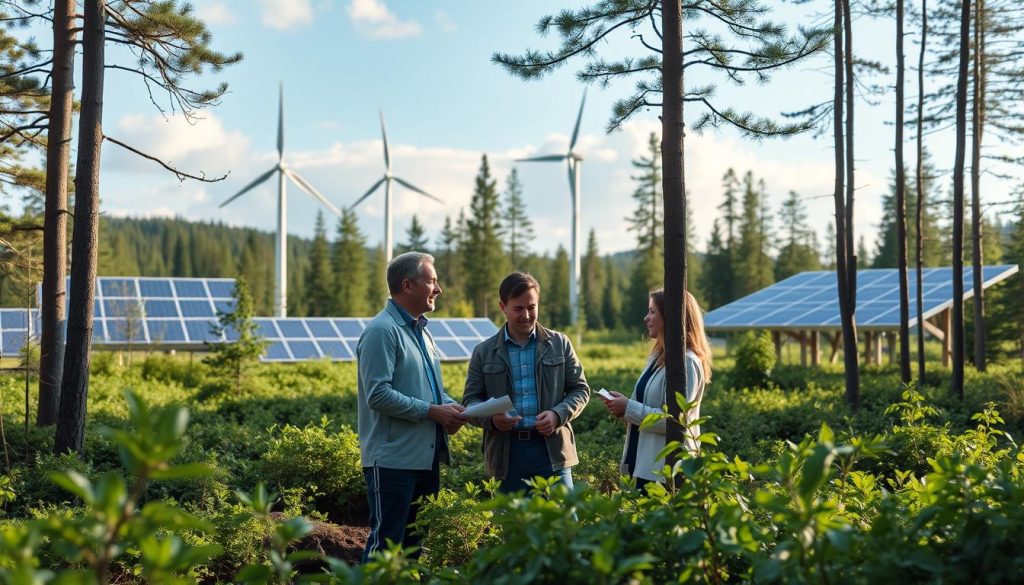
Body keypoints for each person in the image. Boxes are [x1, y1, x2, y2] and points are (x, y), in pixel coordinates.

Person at [356, 251, 467, 562]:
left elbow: (431, 391)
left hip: (424, 457)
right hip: (393, 461)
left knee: (414, 548)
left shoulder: (423, 332)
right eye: (431, 281)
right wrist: (433, 412)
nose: (438, 288)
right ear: (407, 285)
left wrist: (453, 409)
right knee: (386, 548)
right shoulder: (382, 331)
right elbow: (377, 394)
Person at [463, 272, 591, 494]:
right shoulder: (483, 352)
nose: (526, 315)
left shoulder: (560, 343)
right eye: (518, 308)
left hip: (553, 451)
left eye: (531, 307)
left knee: (563, 524)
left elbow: (580, 390)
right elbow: (470, 402)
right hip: (506, 454)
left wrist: (557, 414)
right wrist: (492, 419)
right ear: (502, 306)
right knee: (512, 525)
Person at [599, 289, 712, 492]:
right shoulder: (658, 358)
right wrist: (624, 406)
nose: (646, 318)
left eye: (652, 312)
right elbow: (648, 407)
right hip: (645, 467)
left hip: (664, 472)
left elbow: (676, 421)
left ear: (670, 317)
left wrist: (629, 408)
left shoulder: (685, 361)